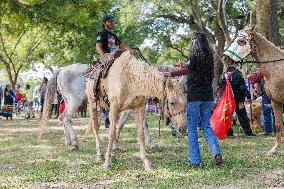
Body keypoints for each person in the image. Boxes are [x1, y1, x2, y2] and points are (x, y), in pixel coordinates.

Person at [164, 32, 222, 166]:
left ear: (194, 43)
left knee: (192, 128)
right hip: (207, 95)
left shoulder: (194, 56)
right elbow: (191, 68)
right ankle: (216, 153)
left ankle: (195, 160)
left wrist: (170, 73)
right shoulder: (209, 58)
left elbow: (188, 70)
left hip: (194, 96)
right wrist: (183, 65)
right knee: (207, 126)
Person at [95, 15, 131, 128]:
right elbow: (98, 47)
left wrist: (132, 50)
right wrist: (105, 56)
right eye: (110, 21)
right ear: (105, 23)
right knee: (99, 74)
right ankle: (96, 93)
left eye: (113, 21)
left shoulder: (114, 36)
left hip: (116, 59)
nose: (112, 23)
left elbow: (123, 47)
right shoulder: (101, 34)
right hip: (106, 59)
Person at [219, 58, 256, 137]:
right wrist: (248, 96)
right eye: (236, 64)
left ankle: (228, 133)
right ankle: (248, 132)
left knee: (227, 115)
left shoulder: (223, 75)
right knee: (242, 115)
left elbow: (220, 88)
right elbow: (243, 87)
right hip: (239, 100)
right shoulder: (237, 74)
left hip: (227, 100)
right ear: (234, 64)